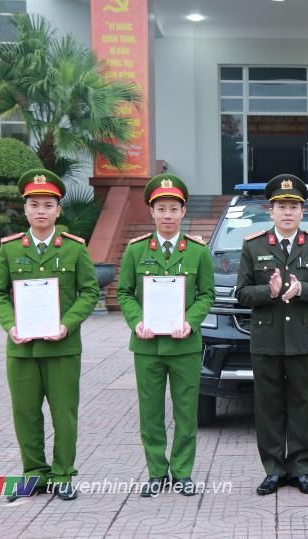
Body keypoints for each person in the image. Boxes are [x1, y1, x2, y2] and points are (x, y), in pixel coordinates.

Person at [0, 168, 99, 502]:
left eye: (48, 204)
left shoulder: (74, 249)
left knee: (64, 413)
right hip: (22, 349)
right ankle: (34, 473)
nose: (41, 210)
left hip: (62, 346)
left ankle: (63, 474)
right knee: (25, 413)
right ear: (24, 209)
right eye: (34, 204)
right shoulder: (9, 250)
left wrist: (67, 323)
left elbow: (89, 292)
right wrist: (11, 325)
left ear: (58, 210)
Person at [235, 174, 308, 496]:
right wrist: (269, 290)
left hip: (303, 340)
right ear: (271, 211)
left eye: (293, 206)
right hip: (267, 340)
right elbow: (242, 293)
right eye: (281, 206)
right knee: (268, 406)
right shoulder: (254, 245)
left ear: (303, 211)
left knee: (303, 405)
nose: (287, 212)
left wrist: (302, 288)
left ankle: (301, 469)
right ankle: (274, 470)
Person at [116, 173, 215, 497]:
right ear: (152, 212)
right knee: (151, 413)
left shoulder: (198, 252)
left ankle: (182, 471)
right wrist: (136, 321)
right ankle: (157, 472)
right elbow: (125, 293)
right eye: (161, 209)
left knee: (186, 412)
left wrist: (190, 321)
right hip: (147, 345)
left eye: (174, 209)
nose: (168, 215)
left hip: (184, 344)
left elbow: (207, 295)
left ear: (183, 212)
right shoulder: (136, 250)